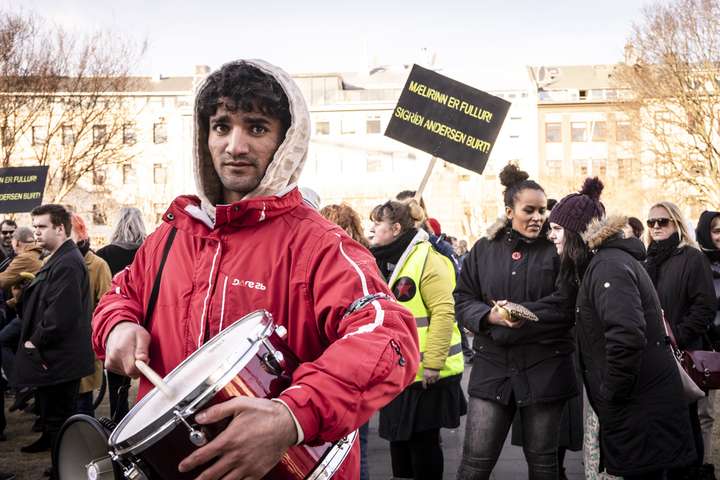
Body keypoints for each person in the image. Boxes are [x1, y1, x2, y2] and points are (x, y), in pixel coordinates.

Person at [92, 59, 418, 479]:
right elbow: (120, 296)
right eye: (222, 126)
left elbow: (389, 336)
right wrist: (117, 326)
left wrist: (291, 416)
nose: (235, 146)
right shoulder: (170, 236)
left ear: (287, 141)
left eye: (257, 128)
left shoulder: (320, 245)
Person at [547, 178, 696, 479]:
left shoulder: (608, 267)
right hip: (637, 409)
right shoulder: (602, 264)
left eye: (557, 229)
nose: (552, 236)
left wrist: (610, 395)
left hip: (638, 410)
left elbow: (626, 337)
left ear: (576, 233)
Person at [455, 164, 576, 480]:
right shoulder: (483, 249)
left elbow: (566, 304)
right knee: (473, 465)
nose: (538, 217)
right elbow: (463, 298)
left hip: (545, 368)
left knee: (543, 464)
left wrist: (522, 313)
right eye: (529, 210)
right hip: (492, 366)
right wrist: (489, 316)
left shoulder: (559, 249)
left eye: (543, 210)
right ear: (509, 211)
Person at [370, 199, 465, 480]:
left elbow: (443, 312)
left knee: (422, 446)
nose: (372, 229)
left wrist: (433, 364)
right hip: (397, 371)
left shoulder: (428, 258)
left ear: (396, 227)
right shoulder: (385, 257)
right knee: (398, 443)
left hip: (425, 374)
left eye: (377, 223)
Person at [15, 204, 94, 479]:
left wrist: (34, 342)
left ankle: (65, 469)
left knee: (61, 420)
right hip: (55, 357)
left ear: (60, 228)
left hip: (58, 357)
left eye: (42, 227)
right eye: (34, 227)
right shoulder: (60, 258)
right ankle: (62, 465)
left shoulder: (68, 261)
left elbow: (62, 313)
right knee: (54, 419)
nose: (36, 233)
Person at [645, 201, 715, 479]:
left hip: (682, 354)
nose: (656, 227)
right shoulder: (647, 259)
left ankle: (690, 473)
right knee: (659, 422)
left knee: (686, 421)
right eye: (651, 222)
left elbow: (705, 307)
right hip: (654, 355)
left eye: (663, 221)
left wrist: (676, 339)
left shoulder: (692, 257)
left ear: (676, 223)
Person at [319, 202, 371, 480]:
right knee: (354, 446)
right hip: (354, 370)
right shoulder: (365, 255)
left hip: (336, 369)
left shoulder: (337, 259)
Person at [95, 206, 147, 421]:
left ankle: (119, 415)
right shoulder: (148, 251)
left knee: (116, 375)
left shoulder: (104, 254)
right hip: (146, 318)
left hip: (118, 318)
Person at [0, 226, 43, 440]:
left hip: (28, 317)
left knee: (2, 341)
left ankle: (21, 384)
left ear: (18, 243)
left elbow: (3, 280)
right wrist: (11, 302)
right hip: (29, 312)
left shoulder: (24, 258)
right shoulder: (35, 255)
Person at [71, 214, 111, 417]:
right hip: (60, 344)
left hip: (84, 342)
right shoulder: (50, 261)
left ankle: (85, 443)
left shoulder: (97, 265)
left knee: (82, 400)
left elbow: (105, 303)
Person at [695, 210, 720, 480]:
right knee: (704, 412)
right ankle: (702, 465)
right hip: (705, 347)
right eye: (716, 230)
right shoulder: (696, 262)